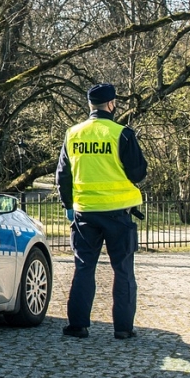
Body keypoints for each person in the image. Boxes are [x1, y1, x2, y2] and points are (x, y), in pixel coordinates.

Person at [56, 82, 147, 340]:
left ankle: (77, 325)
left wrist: (69, 206)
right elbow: (138, 173)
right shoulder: (122, 134)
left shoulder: (73, 134)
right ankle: (123, 328)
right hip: (118, 213)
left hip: (85, 213)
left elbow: (63, 175)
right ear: (111, 104)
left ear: (89, 105)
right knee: (123, 270)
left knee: (84, 267)